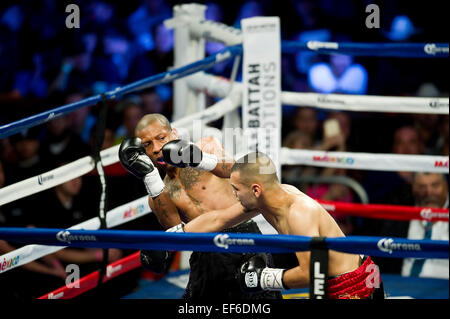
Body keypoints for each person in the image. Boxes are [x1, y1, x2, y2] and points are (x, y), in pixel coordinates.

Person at [118, 114, 282, 300]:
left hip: (242, 238)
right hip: (205, 251)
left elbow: (239, 172)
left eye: (161, 138)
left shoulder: (204, 146)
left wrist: (201, 159)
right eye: (147, 145)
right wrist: (151, 177)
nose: (156, 149)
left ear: (174, 134)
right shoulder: (157, 194)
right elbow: (175, 233)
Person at [178, 152, 385, 299]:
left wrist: (266, 278)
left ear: (256, 190)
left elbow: (312, 273)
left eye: (236, 189)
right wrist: (175, 236)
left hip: (350, 285)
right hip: (337, 279)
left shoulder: (299, 213)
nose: (234, 194)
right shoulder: (266, 200)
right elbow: (219, 219)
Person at [402, 173, 449, 279]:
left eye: (435, 185)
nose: (429, 192)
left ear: (446, 185)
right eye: (422, 187)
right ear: (413, 187)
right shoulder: (400, 210)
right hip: (402, 289)